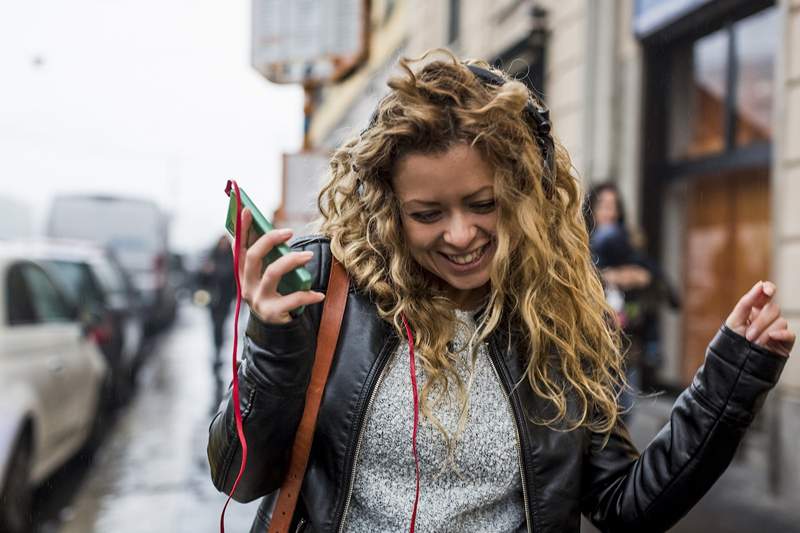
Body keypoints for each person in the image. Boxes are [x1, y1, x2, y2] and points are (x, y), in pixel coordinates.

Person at [207, 51, 794, 533]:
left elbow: (625, 505)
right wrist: (271, 344)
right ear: (389, 209)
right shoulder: (328, 290)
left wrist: (729, 382)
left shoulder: (560, 311)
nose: (460, 235)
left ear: (524, 192)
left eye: (483, 204)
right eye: (427, 213)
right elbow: (239, 478)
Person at [584, 182, 680, 413]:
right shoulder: (580, 245)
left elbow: (649, 276)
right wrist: (612, 276)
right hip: (592, 351)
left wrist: (641, 277)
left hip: (628, 349)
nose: (611, 212)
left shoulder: (626, 242)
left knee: (626, 412)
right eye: (604, 206)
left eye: (614, 206)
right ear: (591, 210)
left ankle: (653, 346)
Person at [199, 235, 237, 368]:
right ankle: (216, 349)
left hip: (225, 300)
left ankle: (218, 349)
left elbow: (233, 279)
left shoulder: (231, 259)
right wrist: (206, 272)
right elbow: (201, 279)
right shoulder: (212, 257)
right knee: (215, 325)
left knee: (221, 325)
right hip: (213, 299)